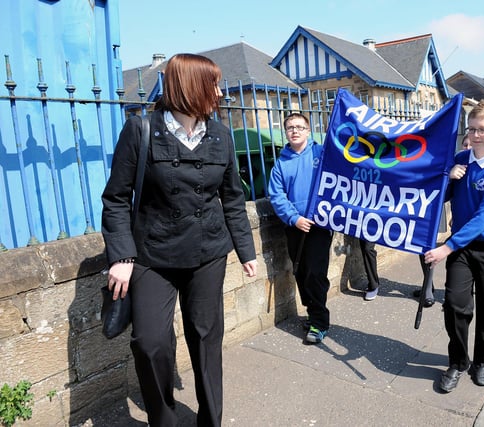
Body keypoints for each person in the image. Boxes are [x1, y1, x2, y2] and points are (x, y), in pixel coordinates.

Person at [101, 53, 258, 427]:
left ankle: (211, 421)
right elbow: (116, 198)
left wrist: (246, 250)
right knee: (149, 343)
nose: (220, 92)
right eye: (214, 85)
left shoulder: (220, 135)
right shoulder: (140, 131)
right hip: (152, 253)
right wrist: (121, 256)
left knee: (206, 341)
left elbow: (233, 197)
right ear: (191, 88)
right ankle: (164, 419)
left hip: (208, 252)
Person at [423, 99, 484, 393]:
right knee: (454, 306)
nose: (475, 135)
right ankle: (458, 362)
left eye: (482, 130)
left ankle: (483, 361)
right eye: (471, 129)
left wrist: (445, 248)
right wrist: (448, 179)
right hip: (462, 249)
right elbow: (440, 196)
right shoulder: (461, 158)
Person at [268, 112, 333, 344]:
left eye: (299, 127)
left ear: (308, 130)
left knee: (315, 273)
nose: (294, 130)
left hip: (319, 225)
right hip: (295, 226)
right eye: (290, 127)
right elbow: (276, 195)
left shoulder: (321, 153)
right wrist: (294, 218)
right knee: (301, 272)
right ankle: (312, 310)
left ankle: (319, 321)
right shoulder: (280, 163)